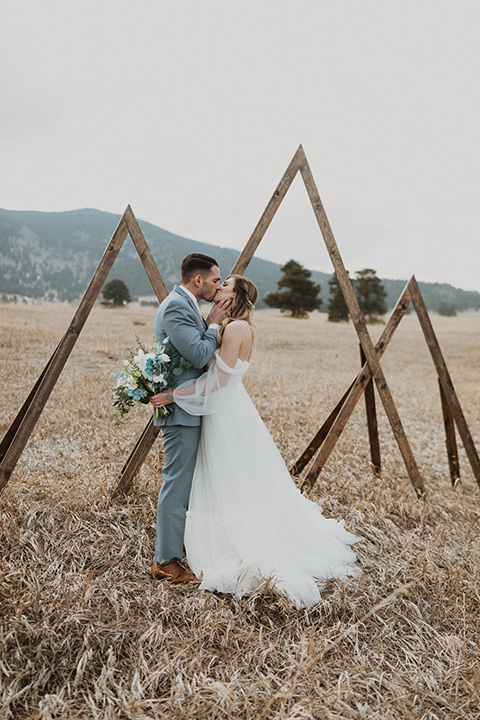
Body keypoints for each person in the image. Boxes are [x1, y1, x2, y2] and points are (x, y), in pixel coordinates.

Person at [151, 275, 361, 609]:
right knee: (223, 479)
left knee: (234, 477)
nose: (218, 287)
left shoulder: (236, 330)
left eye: (226, 285)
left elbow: (219, 379)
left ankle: (246, 541)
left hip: (226, 413)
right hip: (219, 410)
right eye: (218, 283)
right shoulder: (226, 323)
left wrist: (173, 394)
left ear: (234, 296)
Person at [151, 253, 231, 583]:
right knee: (177, 484)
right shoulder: (175, 307)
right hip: (181, 412)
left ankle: (180, 547)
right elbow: (199, 353)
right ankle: (165, 561)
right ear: (197, 280)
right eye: (215, 279)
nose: (218, 285)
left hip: (191, 408)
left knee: (186, 483)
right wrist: (213, 323)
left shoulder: (186, 305)